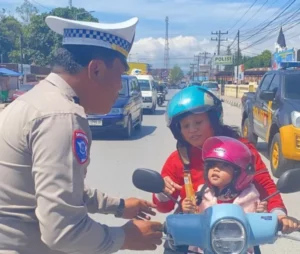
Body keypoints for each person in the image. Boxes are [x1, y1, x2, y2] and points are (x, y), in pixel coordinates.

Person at [0, 16, 163, 254]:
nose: (120, 86)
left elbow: (59, 188)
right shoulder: (62, 116)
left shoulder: (35, 101)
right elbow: (63, 231)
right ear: (96, 69)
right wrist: (125, 238)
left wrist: (117, 206)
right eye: (119, 75)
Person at [152, 86, 298, 253]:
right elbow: (165, 207)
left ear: (214, 120)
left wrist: (279, 215)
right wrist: (163, 191)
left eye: (198, 122)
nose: (192, 130)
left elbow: (264, 185)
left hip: (238, 234)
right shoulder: (178, 159)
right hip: (192, 233)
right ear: (178, 131)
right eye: (185, 126)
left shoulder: (241, 150)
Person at [182, 136, 268, 254]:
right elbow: (193, 220)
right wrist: (187, 209)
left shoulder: (250, 196)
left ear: (240, 172)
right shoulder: (202, 193)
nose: (216, 169)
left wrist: (261, 214)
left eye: (224, 166)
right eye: (212, 166)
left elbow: (258, 228)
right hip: (205, 249)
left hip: (240, 249)